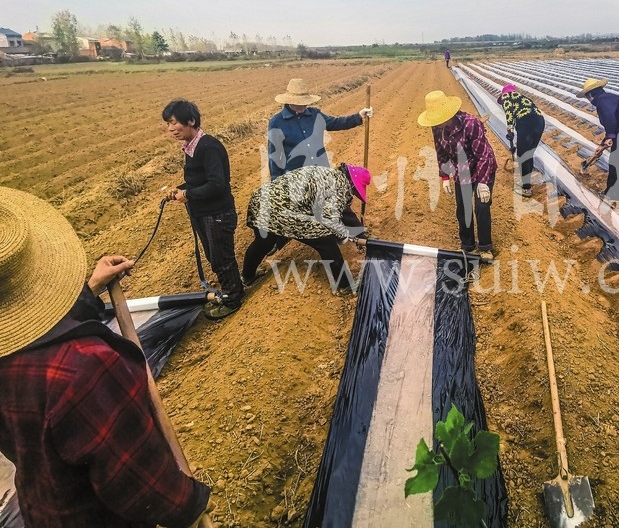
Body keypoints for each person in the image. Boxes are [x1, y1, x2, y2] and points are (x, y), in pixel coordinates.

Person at [0, 187, 211, 528]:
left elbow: (35, 333)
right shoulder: (84, 367)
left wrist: (90, 290)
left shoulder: (13, 356)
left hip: (42, 510)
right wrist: (189, 502)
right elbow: (141, 486)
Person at [162, 99, 244, 319]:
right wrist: (180, 189)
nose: (170, 129)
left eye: (174, 122)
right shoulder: (192, 147)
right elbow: (200, 180)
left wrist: (188, 195)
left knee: (221, 258)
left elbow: (217, 184)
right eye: (168, 124)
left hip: (216, 214)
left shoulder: (208, 147)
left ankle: (233, 299)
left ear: (191, 120)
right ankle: (233, 289)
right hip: (204, 213)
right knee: (215, 257)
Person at [243, 163, 370, 294]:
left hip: (261, 202)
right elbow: (329, 220)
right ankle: (345, 285)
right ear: (352, 183)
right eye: (356, 191)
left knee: (263, 243)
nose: (354, 194)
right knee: (326, 242)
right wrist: (343, 236)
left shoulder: (329, 174)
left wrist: (358, 233)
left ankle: (247, 276)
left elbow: (341, 210)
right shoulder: (340, 187)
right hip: (282, 210)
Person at [417, 90, 497, 261]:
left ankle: (485, 247)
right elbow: (441, 152)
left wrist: (483, 182)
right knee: (463, 208)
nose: (437, 124)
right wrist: (445, 176)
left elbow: (483, 155)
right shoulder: (437, 127)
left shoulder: (471, 124)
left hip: (482, 166)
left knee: (482, 206)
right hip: (462, 171)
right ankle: (468, 246)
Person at [267, 78, 373, 180]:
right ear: (288, 101)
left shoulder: (315, 115)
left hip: (322, 174)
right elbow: (274, 156)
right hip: (297, 181)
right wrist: (276, 184)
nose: (301, 106)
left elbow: (336, 123)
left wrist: (359, 116)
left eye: (304, 102)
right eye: (297, 103)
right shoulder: (277, 122)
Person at [577, 78, 619, 203]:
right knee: (617, 161)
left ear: (590, 95)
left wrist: (610, 136)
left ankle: (612, 195)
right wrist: (603, 144)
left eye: (587, 97)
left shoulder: (603, 101)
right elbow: (613, 122)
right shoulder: (607, 98)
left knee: (616, 163)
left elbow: (610, 118)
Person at [498, 83, 545, 197]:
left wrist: (510, 131)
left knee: (522, 155)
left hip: (526, 122)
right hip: (540, 121)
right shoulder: (522, 98)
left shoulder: (506, 96)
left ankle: (526, 189)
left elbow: (509, 115)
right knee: (529, 153)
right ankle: (527, 181)